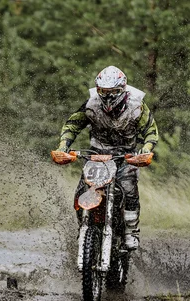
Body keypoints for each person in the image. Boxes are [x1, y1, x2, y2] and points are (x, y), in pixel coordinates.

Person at [53, 65, 158, 250]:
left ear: (123, 90)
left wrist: (146, 149)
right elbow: (72, 125)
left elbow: (150, 130)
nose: (108, 96)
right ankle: (84, 227)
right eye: (104, 91)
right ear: (98, 90)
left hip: (125, 156)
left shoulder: (137, 106)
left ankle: (131, 231)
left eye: (114, 92)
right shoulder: (91, 104)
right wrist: (63, 146)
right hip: (96, 156)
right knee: (81, 190)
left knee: (128, 187)